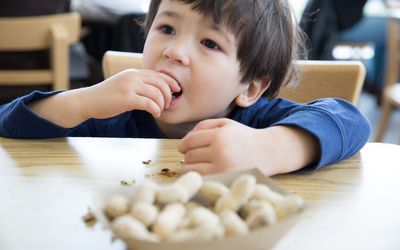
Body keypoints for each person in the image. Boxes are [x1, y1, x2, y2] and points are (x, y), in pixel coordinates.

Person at [0, 0, 371, 176]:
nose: (174, 51)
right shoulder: (111, 118)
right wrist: (83, 101)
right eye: (166, 29)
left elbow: (351, 120)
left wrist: (270, 148)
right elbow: (8, 124)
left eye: (210, 44)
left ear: (250, 88)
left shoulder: (258, 124)